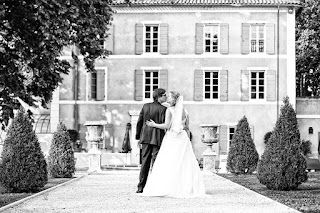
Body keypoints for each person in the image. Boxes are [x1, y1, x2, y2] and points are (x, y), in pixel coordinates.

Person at [141, 91, 205, 198]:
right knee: (184, 161)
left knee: (169, 161)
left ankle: (169, 187)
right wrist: (188, 140)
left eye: (169, 97)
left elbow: (166, 126)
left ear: (174, 100)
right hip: (183, 137)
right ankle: (186, 187)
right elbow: (187, 127)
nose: (167, 99)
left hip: (172, 137)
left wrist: (154, 124)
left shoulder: (169, 110)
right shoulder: (185, 111)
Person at [135, 88, 167, 193]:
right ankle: (154, 186)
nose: (166, 97)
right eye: (164, 95)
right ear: (159, 96)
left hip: (145, 137)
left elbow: (139, 122)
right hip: (157, 138)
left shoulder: (145, 106)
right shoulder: (163, 109)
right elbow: (163, 125)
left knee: (144, 162)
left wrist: (138, 137)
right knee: (156, 162)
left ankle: (140, 187)